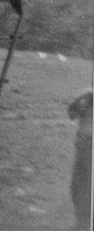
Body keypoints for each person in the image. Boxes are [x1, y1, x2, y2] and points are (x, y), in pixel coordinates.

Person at [67, 88, 93, 231]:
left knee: (87, 186)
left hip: (88, 144)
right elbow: (71, 114)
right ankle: (82, 223)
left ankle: (85, 223)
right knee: (77, 186)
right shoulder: (87, 95)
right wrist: (79, 102)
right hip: (83, 145)